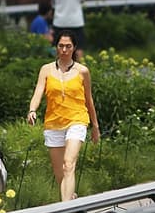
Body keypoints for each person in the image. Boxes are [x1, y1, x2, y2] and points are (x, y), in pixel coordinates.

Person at [26, 31, 100, 201]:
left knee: (69, 164)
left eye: (68, 46)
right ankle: (70, 198)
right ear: (56, 47)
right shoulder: (46, 69)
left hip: (77, 120)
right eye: (61, 46)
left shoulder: (83, 71)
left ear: (74, 48)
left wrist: (95, 126)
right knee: (60, 173)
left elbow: (89, 100)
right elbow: (38, 93)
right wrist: (32, 110)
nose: (64, 49)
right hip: (53, 123)